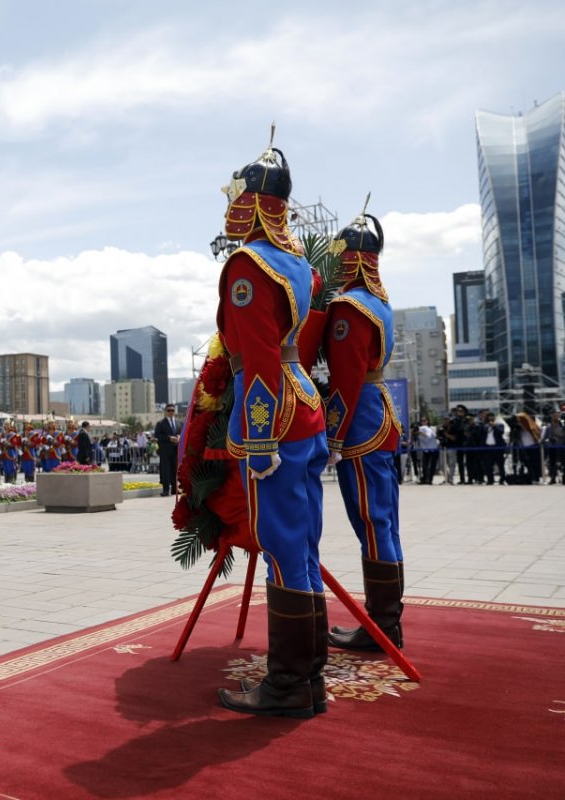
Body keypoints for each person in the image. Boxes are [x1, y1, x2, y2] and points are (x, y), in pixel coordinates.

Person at [211, 134, 328, 719]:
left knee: (282, 546)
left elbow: (257, 358)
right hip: (304, 401)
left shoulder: (248, 265)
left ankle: (288, 686)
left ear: (253, 202)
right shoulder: (300, 265)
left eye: (236, 194)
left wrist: (259, 441)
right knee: (303, 547)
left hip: (274, 413)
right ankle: (311, 676)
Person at [322, 207, 406, 654]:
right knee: (385, 522)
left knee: (372, 522)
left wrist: (333, 435)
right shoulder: (380, 303)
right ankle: (385, 623)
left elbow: (347, 377)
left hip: (360, 423)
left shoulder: (348, 307)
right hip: (380, 413)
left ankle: (383, 628)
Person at [153, 405, 181, 495]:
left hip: (175, 450)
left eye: (172, 410)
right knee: (165, 470)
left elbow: (182, 433)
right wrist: (169, 438)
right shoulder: (161, 423)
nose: (171, 412)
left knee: (175, 470)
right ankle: (165, 490)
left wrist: (179, 437)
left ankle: (174, 489)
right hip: (165, 451)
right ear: (165, 411)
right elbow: (157, 435)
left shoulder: (179, 423)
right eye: (169, 410)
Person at [415, 417, 440, 485]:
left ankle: (430, 479)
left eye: (424, 420)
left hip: (433, 448)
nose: (423, 422)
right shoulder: (420, 428)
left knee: (432, 465)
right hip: (426, 449)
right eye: (422, 421)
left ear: (428, 421)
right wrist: (416, 432)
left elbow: (428, 436)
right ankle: (425, 478)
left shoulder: (429, 428)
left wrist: (421, 433)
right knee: (424, 465)